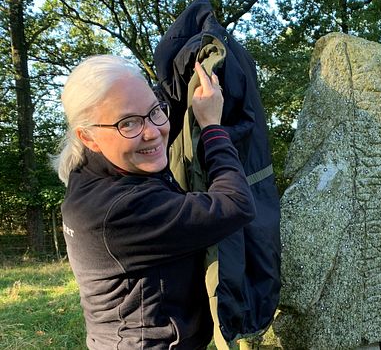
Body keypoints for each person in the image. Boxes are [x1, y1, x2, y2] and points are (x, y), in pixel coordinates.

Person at [53, 55, 256, 349]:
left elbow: (152, 127)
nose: (153, 132)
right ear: (88, 137)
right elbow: (236, 203)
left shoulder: (93, 171)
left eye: (154, 112)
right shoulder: (119, 209)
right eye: (128, 123)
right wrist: (212, 126)